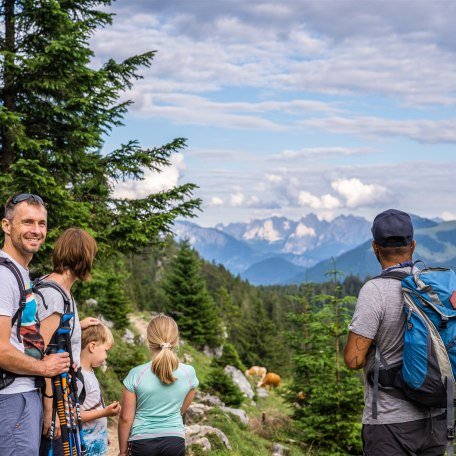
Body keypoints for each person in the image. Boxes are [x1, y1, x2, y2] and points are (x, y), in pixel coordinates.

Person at [343, 209, 447, 455]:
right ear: (412, 245)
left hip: (389, 423)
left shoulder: (374, 292)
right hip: (436, 419)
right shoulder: (435, 288)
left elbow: (353, 359)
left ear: (375, 247)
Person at [0, 193, 70, 456]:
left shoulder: (18, 271)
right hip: (11, 398)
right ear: (7, 226)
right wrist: (44, 367)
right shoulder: (4, 275)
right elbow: (1, 349)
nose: (36, 230)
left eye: (41, 223)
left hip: (20, 396)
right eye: (28, 222)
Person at [37, 227, 101, 455]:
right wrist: (50, 411)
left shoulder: (54, 286)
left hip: (61, 399)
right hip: (54, 402)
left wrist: (77, 326)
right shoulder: (55, 295)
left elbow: (54, 332)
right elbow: (40, 354)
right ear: (83, 257)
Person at [118, 314, 198, 456]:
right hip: (175, 439)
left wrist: (123, 451)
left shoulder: (136, 374)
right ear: (177, 340)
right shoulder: (189, 373)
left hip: (141, 441)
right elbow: (183, 407)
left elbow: (125, 419)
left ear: (149, 341)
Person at [78, 323, 121, 455]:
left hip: (95, 441)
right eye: (106, 351)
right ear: (92, 346)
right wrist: (104, 413)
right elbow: (73, 415)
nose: (106, 356)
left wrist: (102, 434)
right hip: (86, 446)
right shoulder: (79, 378)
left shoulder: (89, 372)